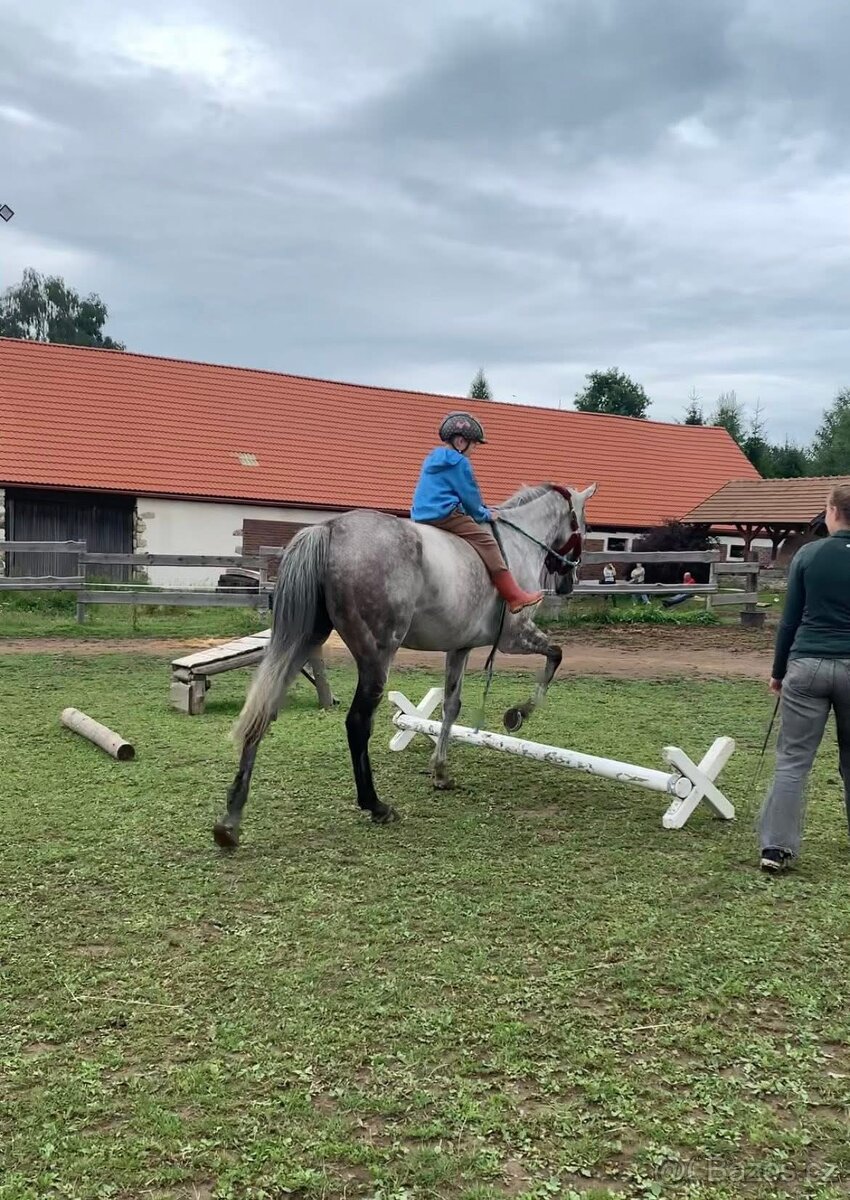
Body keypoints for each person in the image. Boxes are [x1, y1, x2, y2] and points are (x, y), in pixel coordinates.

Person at [757, 482, 850, 872]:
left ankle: (776, 849)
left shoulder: (809, 555)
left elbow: (790, 620)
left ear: (831, 511)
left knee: (793, 760)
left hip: (807, 664)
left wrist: (779, 671)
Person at [410, 412, 544, 614]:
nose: (475, 450)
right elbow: (470, 499)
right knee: (487, 542)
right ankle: (514, 596)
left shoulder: (432, 458)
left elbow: (443, 490)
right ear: (461, 441)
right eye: (474, 445)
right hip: (445, 515)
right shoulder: (460, 463)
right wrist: (486, 514)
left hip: (420, 515)